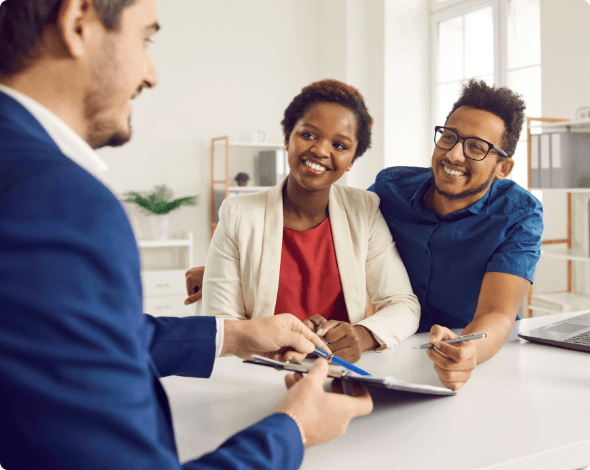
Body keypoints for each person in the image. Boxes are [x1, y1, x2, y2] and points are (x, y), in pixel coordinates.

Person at [0, 1, 373, 469]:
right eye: (146, 39)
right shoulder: (60, 201)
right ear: (78, 24)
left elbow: (78, 339)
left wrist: (235, 335)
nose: (151, 74)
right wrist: (292, 430)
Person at [197, 79, 421, 364]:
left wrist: (360, 335)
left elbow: (403, 304)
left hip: (338, 373)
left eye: (339, 145)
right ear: (287, 138)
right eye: (308, 135)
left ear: (352, 159)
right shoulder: (238, 213)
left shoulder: (364, 210)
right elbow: (222, 322)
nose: (321, 150)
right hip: (261, 373)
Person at [369, 79, 543, 391]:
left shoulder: (520, 214)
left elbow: (498, 313)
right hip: (392, 349)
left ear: (503, 167)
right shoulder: (389, 189)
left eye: (476, 147)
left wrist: (467, 351)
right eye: (449, 137)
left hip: (479, 354)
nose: (453, 155)